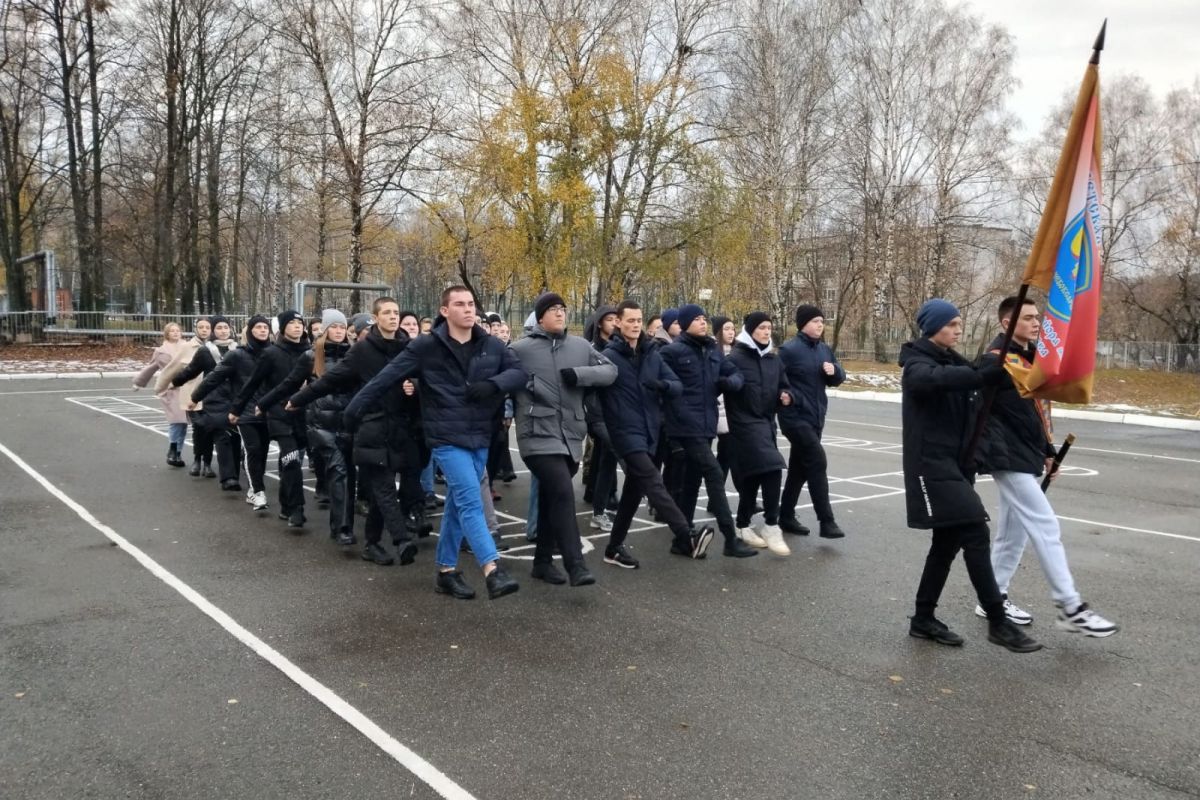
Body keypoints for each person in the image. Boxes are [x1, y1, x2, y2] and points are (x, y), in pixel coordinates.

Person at [344, 286, 527, 600]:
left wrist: (491, 385)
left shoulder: (491, 345)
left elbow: (520, 373)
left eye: (471, 304)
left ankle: (445, 572)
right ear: (445, 311)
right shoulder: (426, 347)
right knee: (470, 499)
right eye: (460, 304)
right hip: (444, 437)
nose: (469, 310)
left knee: (457, 502)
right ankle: (492, 570)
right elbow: (386, 377)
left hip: (479, 435)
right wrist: (353, 411)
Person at [900, 298, 1041, 653]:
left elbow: (982, 397)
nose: (958, 329)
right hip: (929, 466)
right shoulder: (916, 362)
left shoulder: (955, 361)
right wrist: (980, 376)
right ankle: (997, 620)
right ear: (932, 327)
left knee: (946, 544)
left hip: (955, 465)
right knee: (976, 530)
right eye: (951, 324)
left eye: (960, 324)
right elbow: (931, 381)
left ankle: (923, 618)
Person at [974, 296, 1118, 637]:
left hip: (1025, 453)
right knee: (1045, 525)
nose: (1037, 322)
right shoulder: (994, 362)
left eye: (1037, 317)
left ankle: (992, 597)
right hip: (1006, 457)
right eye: (1028, 318)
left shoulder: (1030, 356)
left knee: (1013, 532)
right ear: (1007, 324)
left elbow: (1035, 413)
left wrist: (1048, 450)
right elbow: (985, 413)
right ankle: (1071, 607)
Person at [289, 298, 422, 565]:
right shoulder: (362, 351)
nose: (393, 317)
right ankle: (401, 538)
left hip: (400, 429)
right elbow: (329, 381)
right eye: (387, 313)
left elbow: (425, 377)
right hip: (370, 426)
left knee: (381, 493)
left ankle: (372, 544)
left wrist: (414, 386)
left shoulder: (409, 348)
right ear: (376, 318)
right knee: (384, 487)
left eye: (396, 312)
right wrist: (299, 399)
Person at [510, 291, 618, 585]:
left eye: (563, 309)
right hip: (536, 434)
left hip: (571, 435)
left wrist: (580, 375)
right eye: (553, 309)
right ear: (540, 316)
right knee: (561, 490)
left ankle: (542, 563)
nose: (560, 313)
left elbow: (610, 371)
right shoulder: (519, 350)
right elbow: (499, 379)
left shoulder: (581, 347)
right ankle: (576, 564)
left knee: (550, 497)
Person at [601, 301, 714, 568]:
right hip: (625, 432)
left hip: (650, 430)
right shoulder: (609, 356)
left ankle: (613, 548)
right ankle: (687, 535)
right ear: (618, 322)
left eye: (639, 320)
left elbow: (676, 385)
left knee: (633, 492)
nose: (636, 325)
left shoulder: (652, 353)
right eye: (630, 320)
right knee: (654, 480)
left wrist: (661, 385)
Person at [659, 304, 759, 558]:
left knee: (692, 480)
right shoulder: (672, 352)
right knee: (714, 473)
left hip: (706, 424)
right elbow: (661, 384)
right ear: (684, 324)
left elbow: (734, 372)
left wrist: (730, 383)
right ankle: (730, 539)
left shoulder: (712, 351)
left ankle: (682, 539)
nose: (703, 322)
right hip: (685, 426)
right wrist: (675, 405)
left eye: (704, 318)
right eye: (697, 319)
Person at [259, 309, 357, 545]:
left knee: (348, 474)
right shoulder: (311, 357)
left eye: (342, 327)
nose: (338, 331)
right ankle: (343, 528)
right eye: (333, 327)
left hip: (349, 422)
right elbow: (289, 384)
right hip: (320, 424)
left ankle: (340, 525)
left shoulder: (355, 355)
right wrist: (264, 403)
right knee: (338, 471)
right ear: (324, 330)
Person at [724, 312, 793, 556]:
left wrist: (786, 396)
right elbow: (726, 384)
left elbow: (784, 385)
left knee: (754, 476)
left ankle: (742, 525)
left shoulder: (774, 360)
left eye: (769, 328)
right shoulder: (735, 357)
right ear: (750, 330)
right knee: (773, 468)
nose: (766, 332)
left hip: (766, 423)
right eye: (762, 327)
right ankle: (772, 525)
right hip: (743, 424)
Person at [235, 310, 312, 528]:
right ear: (282, 327)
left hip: (303, 414)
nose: (298, 327)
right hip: (278, 413)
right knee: (291, 459)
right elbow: (252, 383)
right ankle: (297, 508)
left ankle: (287, 505)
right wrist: (237, 409)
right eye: (292, 323)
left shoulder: (310, 352)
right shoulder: (271, 353)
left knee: (291, 463)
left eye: (300, 323)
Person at [777, 305, 847, 539]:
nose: (820, 325)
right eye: (816, 321)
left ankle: (785, 515)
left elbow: (838, 378)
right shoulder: (789, 350)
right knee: (817, 460)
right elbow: (777, 381)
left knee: (799, 469)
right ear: (803, 323)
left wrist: (834, 371)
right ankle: (826, 521)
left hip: (816, 418)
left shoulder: (824, 350)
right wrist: (786, 396)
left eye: (822, 321)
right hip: (794, 418)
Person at [193, 316, 273, 509]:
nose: (262, 330)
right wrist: (196, 396)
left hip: (267, 409)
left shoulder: (274, 353)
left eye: (265, 327)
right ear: (249, 331)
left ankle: (254, 485)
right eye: (258, 327)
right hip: (241, 408)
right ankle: (256, 491)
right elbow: (214, 377)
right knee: (251, 449)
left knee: (262, 451)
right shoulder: (237, 354)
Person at [171, 316, 242, 490]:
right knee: (222, 434)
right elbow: (191, 371)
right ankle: (228, 478)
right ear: (212, 330)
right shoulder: (205, 351)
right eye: (219, 328)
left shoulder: (239, 349)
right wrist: (175, 382)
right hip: (214, 398)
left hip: (236, 397)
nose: (223, 331)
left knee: (235, 437)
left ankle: (234, 475)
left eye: (226, 327)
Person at [156, 317, 213, 476]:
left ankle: (207, 463)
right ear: (196, 329)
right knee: (197, 428)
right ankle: (196, 461)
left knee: (209, 429)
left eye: (207, 327)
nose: (204, 330)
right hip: (192, 396)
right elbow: (172, 368)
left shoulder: (215, 347)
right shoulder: (187, 347)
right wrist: (162, 387)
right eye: (201, 327)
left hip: (212, 395)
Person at [132, 322, 190, 468]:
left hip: (187, 389)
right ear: (167, 334)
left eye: (178, 331)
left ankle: (177, 452)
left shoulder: (188, 347)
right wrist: (139, 382)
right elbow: (150, 368)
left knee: (183, 423)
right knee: (177, 420)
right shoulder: (161, 351)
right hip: (170, 389)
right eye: (172, 331)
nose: (176, 333)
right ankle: (172, 450)